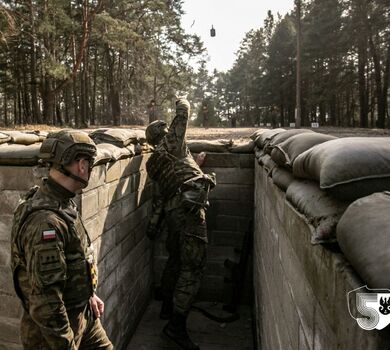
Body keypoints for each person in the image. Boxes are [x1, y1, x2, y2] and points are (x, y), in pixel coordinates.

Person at [11, 130, 113, 350]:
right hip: (54, 333)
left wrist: (89, 295)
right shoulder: (45, 223)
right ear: (81, 165)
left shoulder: (59, 200)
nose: (89, 169)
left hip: (82, 314)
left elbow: (76, 257)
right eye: (89, 163)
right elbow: (46, 303)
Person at [145, 98, 216, 350]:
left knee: (176, 261)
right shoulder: (172, 143)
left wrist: (195, 165)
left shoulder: (153, 163)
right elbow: (183, 116)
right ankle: (175, 327)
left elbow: (165, 189)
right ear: (163, 134)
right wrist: (183, 100)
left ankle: (166, 308)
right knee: (192, 268)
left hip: (173, 215)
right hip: (189, 211)